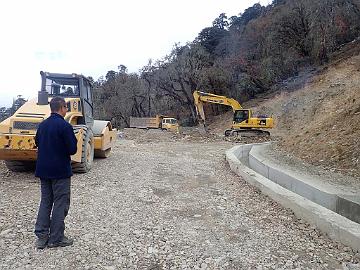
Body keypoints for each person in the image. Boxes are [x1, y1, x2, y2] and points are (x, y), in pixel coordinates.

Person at [34, 96, 77, 249]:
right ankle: (56, 238)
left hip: (43, 171)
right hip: (60, 172)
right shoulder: (65, 126)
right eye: (66, 107)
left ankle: (41, 237)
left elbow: (37, 142)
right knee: (60, 203)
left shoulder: (43, 125)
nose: (67, 110)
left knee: (45, 202)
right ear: (61, 108)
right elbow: (72, 149)